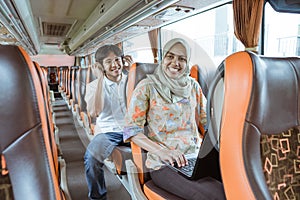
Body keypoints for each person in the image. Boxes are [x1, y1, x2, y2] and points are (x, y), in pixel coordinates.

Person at [123, 38, 226, 199]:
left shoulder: (193, 86)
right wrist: (162, 152)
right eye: (170, 57)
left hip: (195, 158)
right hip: (163, 163)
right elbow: (131, 131)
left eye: (181, 59)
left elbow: (209, 123)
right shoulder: (146, 86)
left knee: (236, 184)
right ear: (162, 59)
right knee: (217, 196)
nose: (175, 62)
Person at [84, 44, 133, 200]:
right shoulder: (93, 86)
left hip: (133, 129)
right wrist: (99, 79)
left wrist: (134, 73)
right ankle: (98, 197)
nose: (115, 65)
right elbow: (93, 112)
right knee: (91, 159)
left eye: (117, 59)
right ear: (101, 66)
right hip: (109, 131)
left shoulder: (131, 80)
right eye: (108, 61)